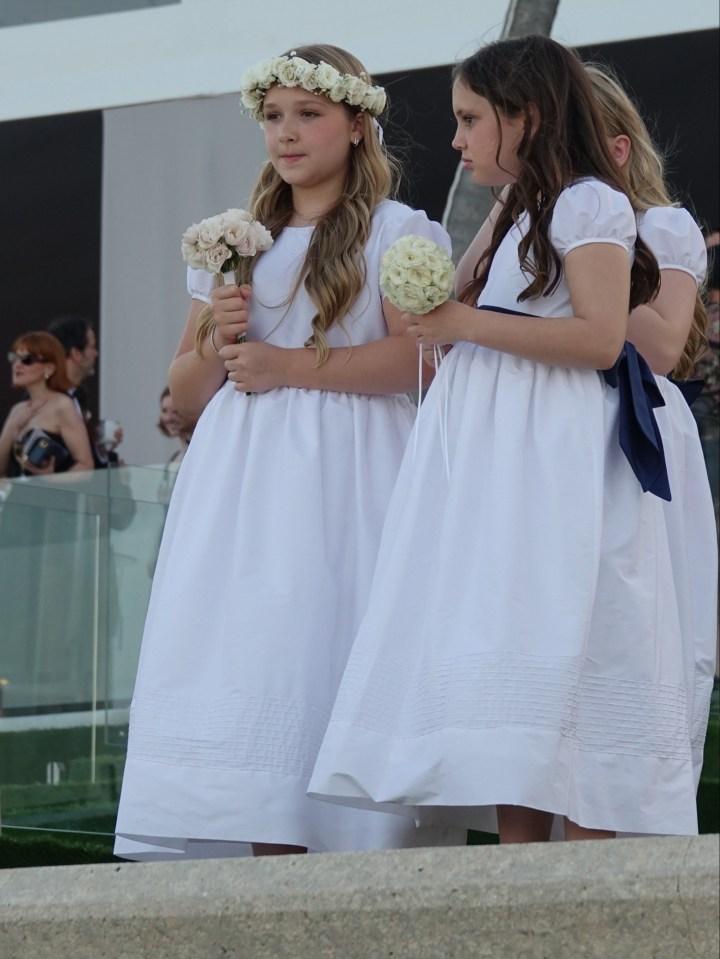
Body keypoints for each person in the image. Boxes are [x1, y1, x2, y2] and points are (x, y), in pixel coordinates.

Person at [308, 35, 698, 843]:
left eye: (469, 118)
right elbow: (458, 311)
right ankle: (517, 857)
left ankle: (592, 850)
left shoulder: (594, 203)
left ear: (526, 116)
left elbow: (597, 339)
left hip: (554, 452)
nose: (455, 139)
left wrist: (461, 320)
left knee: (568, 627)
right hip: (498, 456)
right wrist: (440, 305)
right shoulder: (517, 207)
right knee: (511, 636)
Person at [114, 43, 458, 860]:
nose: (287, 134)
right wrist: (220, 336)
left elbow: (426, 359)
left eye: (308, 114)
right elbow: (188, 390)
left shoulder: (397, 232)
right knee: (253, 647)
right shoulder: (234, 240)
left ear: (356, 124)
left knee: (327, 637)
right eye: (274, 117)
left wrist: (285, 365)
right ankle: (265, 857)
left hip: (352, 468)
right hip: (241, 482)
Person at [586, 64, 717, 783]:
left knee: (644, 618)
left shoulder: (659, 227)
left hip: (633, 427)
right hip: (559, 428)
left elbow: (664, 345)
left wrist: (581, 278)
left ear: (616, 150)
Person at [0, 331, 94, 477]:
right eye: (14, 358)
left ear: (49, 368)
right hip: (17, 497)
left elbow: (86, 466)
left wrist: (49, 481)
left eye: (27, 359)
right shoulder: (17, 410)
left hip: (50, 497)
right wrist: (13, 426)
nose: (17, 365)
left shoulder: (62, 405)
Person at [45, 314, 124, 466]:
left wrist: (100, 449)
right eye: (92, 347)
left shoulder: (76, 396)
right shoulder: (47, 398)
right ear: (76, 353)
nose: (96, 354)